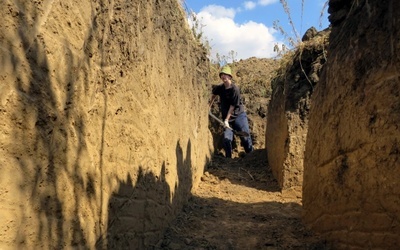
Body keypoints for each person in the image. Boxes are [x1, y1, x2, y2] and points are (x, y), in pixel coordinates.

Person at [209, 65, 253, 158]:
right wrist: (208, 107)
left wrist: (226, 120)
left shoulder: (235, 89)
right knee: (226, 139)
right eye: (222, 74)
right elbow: (213, 95)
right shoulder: (220, 88)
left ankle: (251, 156)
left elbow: (232, 106)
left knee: (244, 136)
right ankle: (228, 160)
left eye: (225, 74)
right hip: (227, 118)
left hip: (238, 116)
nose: (223, 76)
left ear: (230, 76)